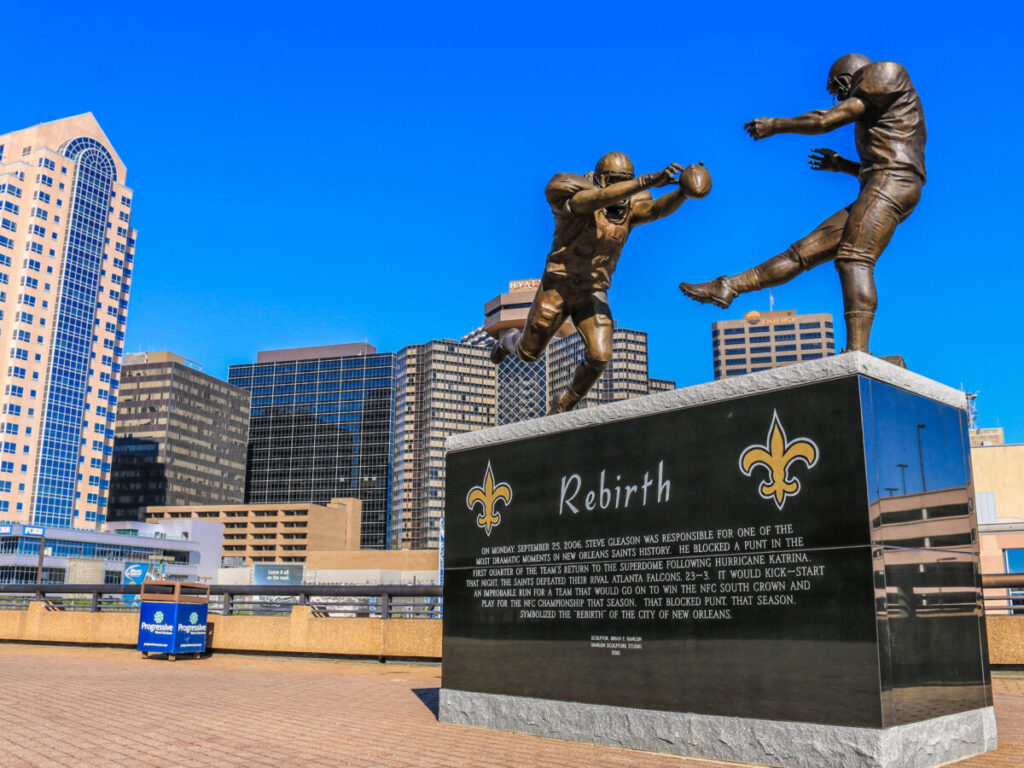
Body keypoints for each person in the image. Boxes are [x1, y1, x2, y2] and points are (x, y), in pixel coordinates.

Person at [679, 54, 926, 354]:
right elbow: (881, 161)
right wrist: (842, 165)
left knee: (854, 258)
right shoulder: (878, 106)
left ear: (849, 78)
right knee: (802, 252)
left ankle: (858, 353)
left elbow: (825, 120)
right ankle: (729, 286)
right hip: (882, 182)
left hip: (893, 183)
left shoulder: (885, 73)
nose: (837, 98)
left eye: (837, 90)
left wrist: (775, 125)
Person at [491, 152, 709, 414]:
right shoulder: (574, 200)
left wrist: (684, 191)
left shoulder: (629, 210)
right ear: (599, 180)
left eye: (624, 181)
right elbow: (593, 199)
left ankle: (565, 402)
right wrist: (646, 181)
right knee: (528, 353)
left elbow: (656, 209)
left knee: (600, 355)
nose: (620, 188)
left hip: (592, 291)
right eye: (614, 181)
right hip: (557, 288)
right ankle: (508, 340)